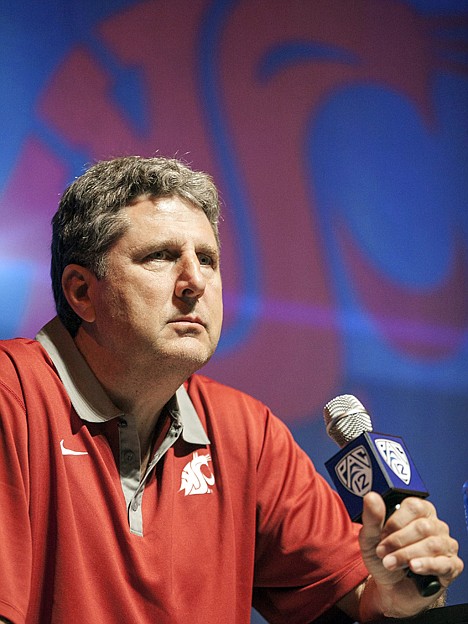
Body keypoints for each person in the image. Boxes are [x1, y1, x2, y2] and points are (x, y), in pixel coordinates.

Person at [0, 155, 463, 624]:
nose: (195, 283)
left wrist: (400, 594)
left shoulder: (245, 431)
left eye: (207, 259)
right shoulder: (10, 397)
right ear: (81, 292)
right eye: (160, 256)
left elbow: (362, 600)